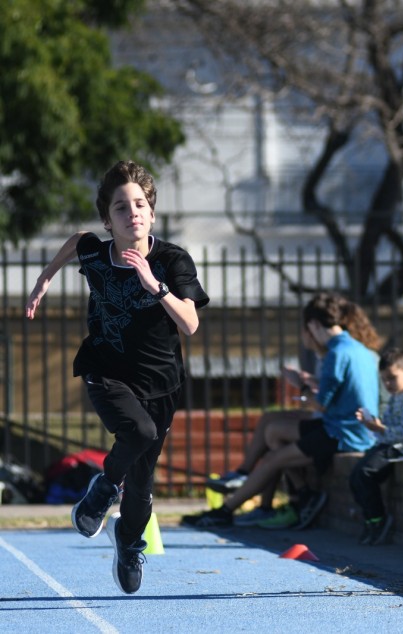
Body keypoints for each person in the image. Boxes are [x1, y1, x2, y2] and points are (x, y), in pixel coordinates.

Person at [25, 160, 210, 594]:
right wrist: (46, 276)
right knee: (138, 431)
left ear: (152, 213)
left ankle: (127, 540)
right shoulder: (96, 251)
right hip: (106, 369)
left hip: (161, 382)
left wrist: (154, 285)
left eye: (140, 205)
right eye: (121, 207)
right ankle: (104, 487)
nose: (133, 214)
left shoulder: (172, 260)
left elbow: (190, 323)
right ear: (108, 220)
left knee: (142, 487)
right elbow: (78, 240)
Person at [182, 292, 379, 529]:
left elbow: (321, 404)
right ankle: (302, 495)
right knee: (274, 432)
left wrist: (300, 385)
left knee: (272, 459)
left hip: (343, 434)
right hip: (348, 426)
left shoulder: (336, 353)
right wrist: (312, 381)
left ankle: (224, 512)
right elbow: (342, 390)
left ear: (314, 325)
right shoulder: (355, 347)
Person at [350, 348, 403, 546]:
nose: (388, 384)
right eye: (384, 380)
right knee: (355, 476)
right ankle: (369, 518)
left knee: (366, 473)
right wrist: (373, 424)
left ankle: (378, 518)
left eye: (392, 378)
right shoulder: (396, 395)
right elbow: (387, 425)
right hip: (388, 443)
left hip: (402, 448)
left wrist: (380, 428)